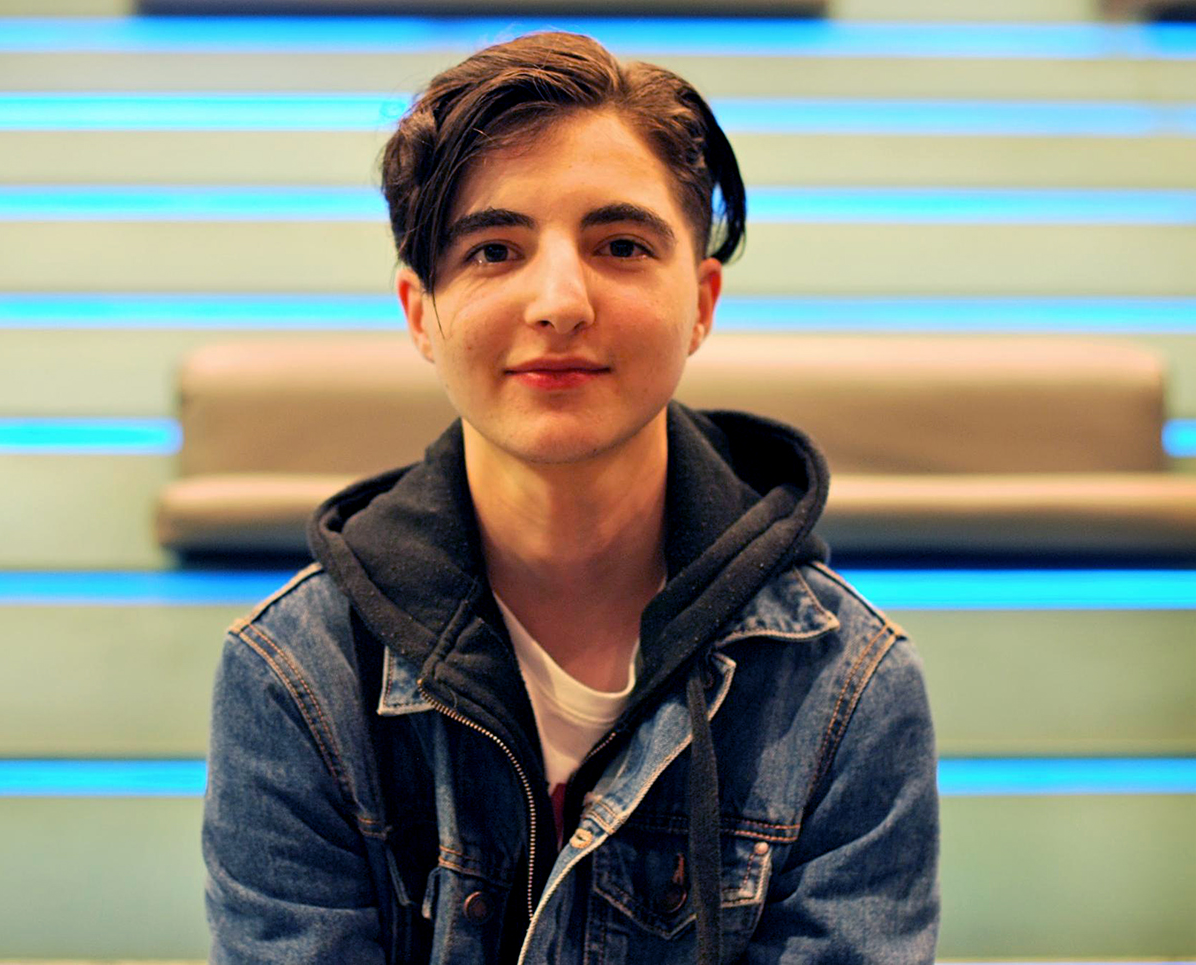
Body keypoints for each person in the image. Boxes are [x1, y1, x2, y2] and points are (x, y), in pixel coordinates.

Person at [203, 31, 939, 965]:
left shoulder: (847, 686)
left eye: (621, 245)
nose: (559, 301)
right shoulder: (296, 676)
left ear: (702, 302)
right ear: (420, 313)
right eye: (494, 250)